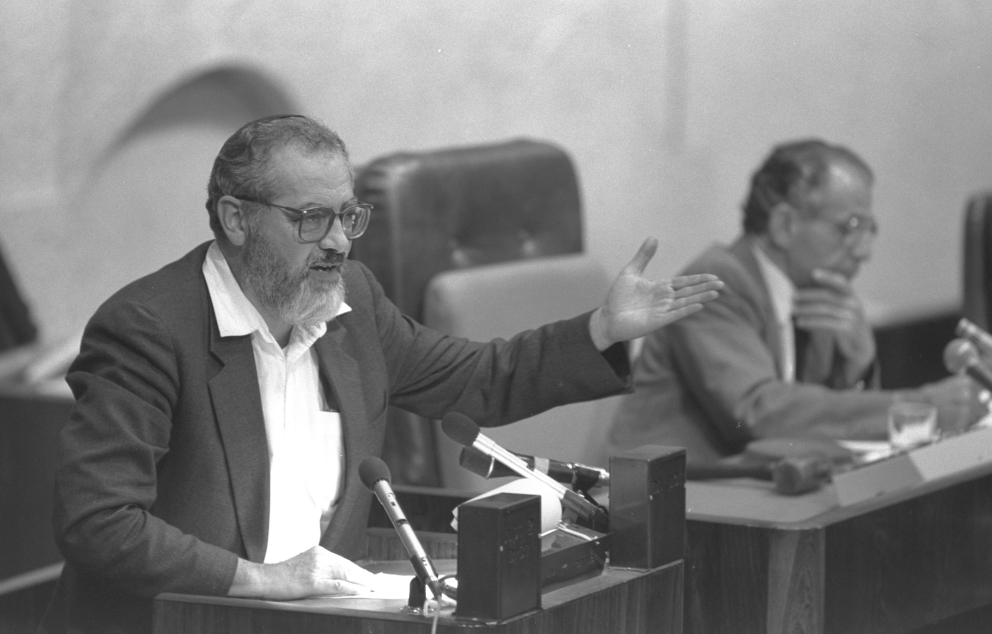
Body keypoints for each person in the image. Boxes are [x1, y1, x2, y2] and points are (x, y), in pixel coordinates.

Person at [39, 114, 721, 634]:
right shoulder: (149, 330)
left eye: (347, 216)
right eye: (311, 219)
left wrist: (602, 330)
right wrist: (261, 581)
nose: (338, 240)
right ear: (235, 219)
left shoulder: (352, 302)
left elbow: (479, 378)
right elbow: (101, 523)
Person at [606, 138, 983, 465]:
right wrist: (923, 409)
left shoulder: (815, 294)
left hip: (761, 490)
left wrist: (859, 364)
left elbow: (823, 420)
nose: (865, 251)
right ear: (785, 224)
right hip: (671, 504)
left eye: (871, 230)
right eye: (851, 228)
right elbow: (759, 413)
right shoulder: (715, 282)